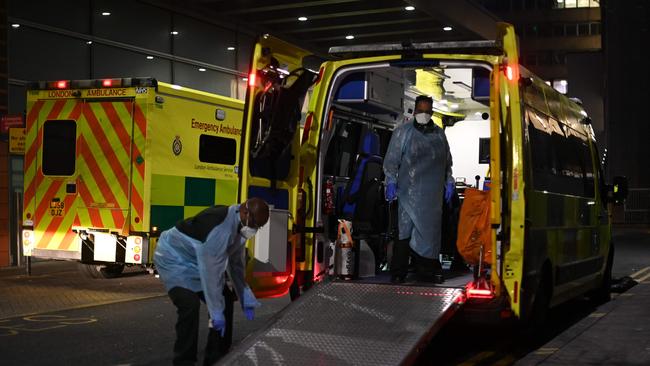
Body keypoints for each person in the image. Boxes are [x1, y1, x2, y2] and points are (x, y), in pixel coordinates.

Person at [154, 198, 270, 366]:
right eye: (254, 224)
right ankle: (184, 361)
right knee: (189, 305)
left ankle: (217, 358)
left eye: (258, 226)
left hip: (199, 261)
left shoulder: (240, 226)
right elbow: (211, 275)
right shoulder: (219, 229)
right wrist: (216, 313)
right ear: (245, 212)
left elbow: (236, 265)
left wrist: (246, 298)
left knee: (226, 300)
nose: (254, 229)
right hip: (173, 259)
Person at [383, 95, 454, 284]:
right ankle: (399, 272)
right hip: (409, 194)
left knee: (429, 235)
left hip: (432, 198)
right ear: (415, 111)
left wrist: (449, 182)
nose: (424, 114)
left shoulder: (439, 135)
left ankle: (427, 270)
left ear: (432, 113)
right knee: (405, 233)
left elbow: (447, 163)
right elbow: (392, 161)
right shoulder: (403, 133)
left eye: (427, 111)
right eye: (420, 111)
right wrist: (390, 181)